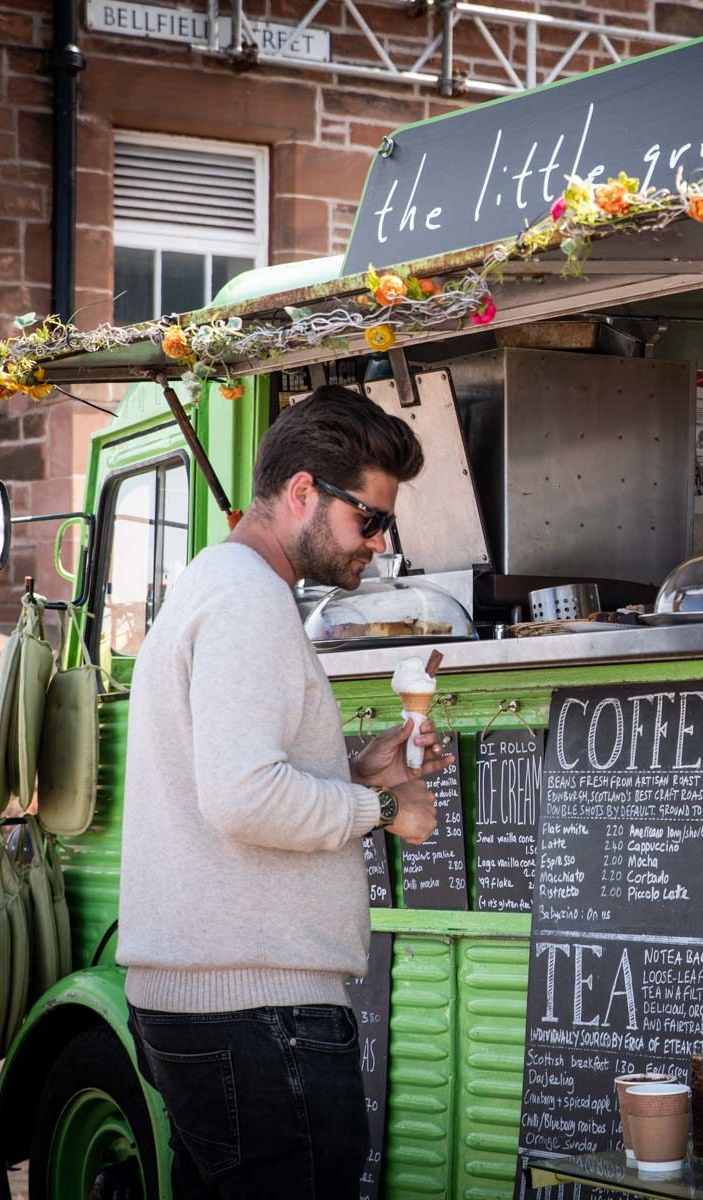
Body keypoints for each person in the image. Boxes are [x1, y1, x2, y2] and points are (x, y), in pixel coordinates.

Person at [118, 384, 451, 1197]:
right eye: (368, 519)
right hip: (258, 1018)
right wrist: (383, 810)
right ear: (303, 491)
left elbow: (232, 776)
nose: (377, 542)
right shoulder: (249, 603)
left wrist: (359, 769)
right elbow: (243, 798)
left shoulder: (216, 582)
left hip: (215, 1006)